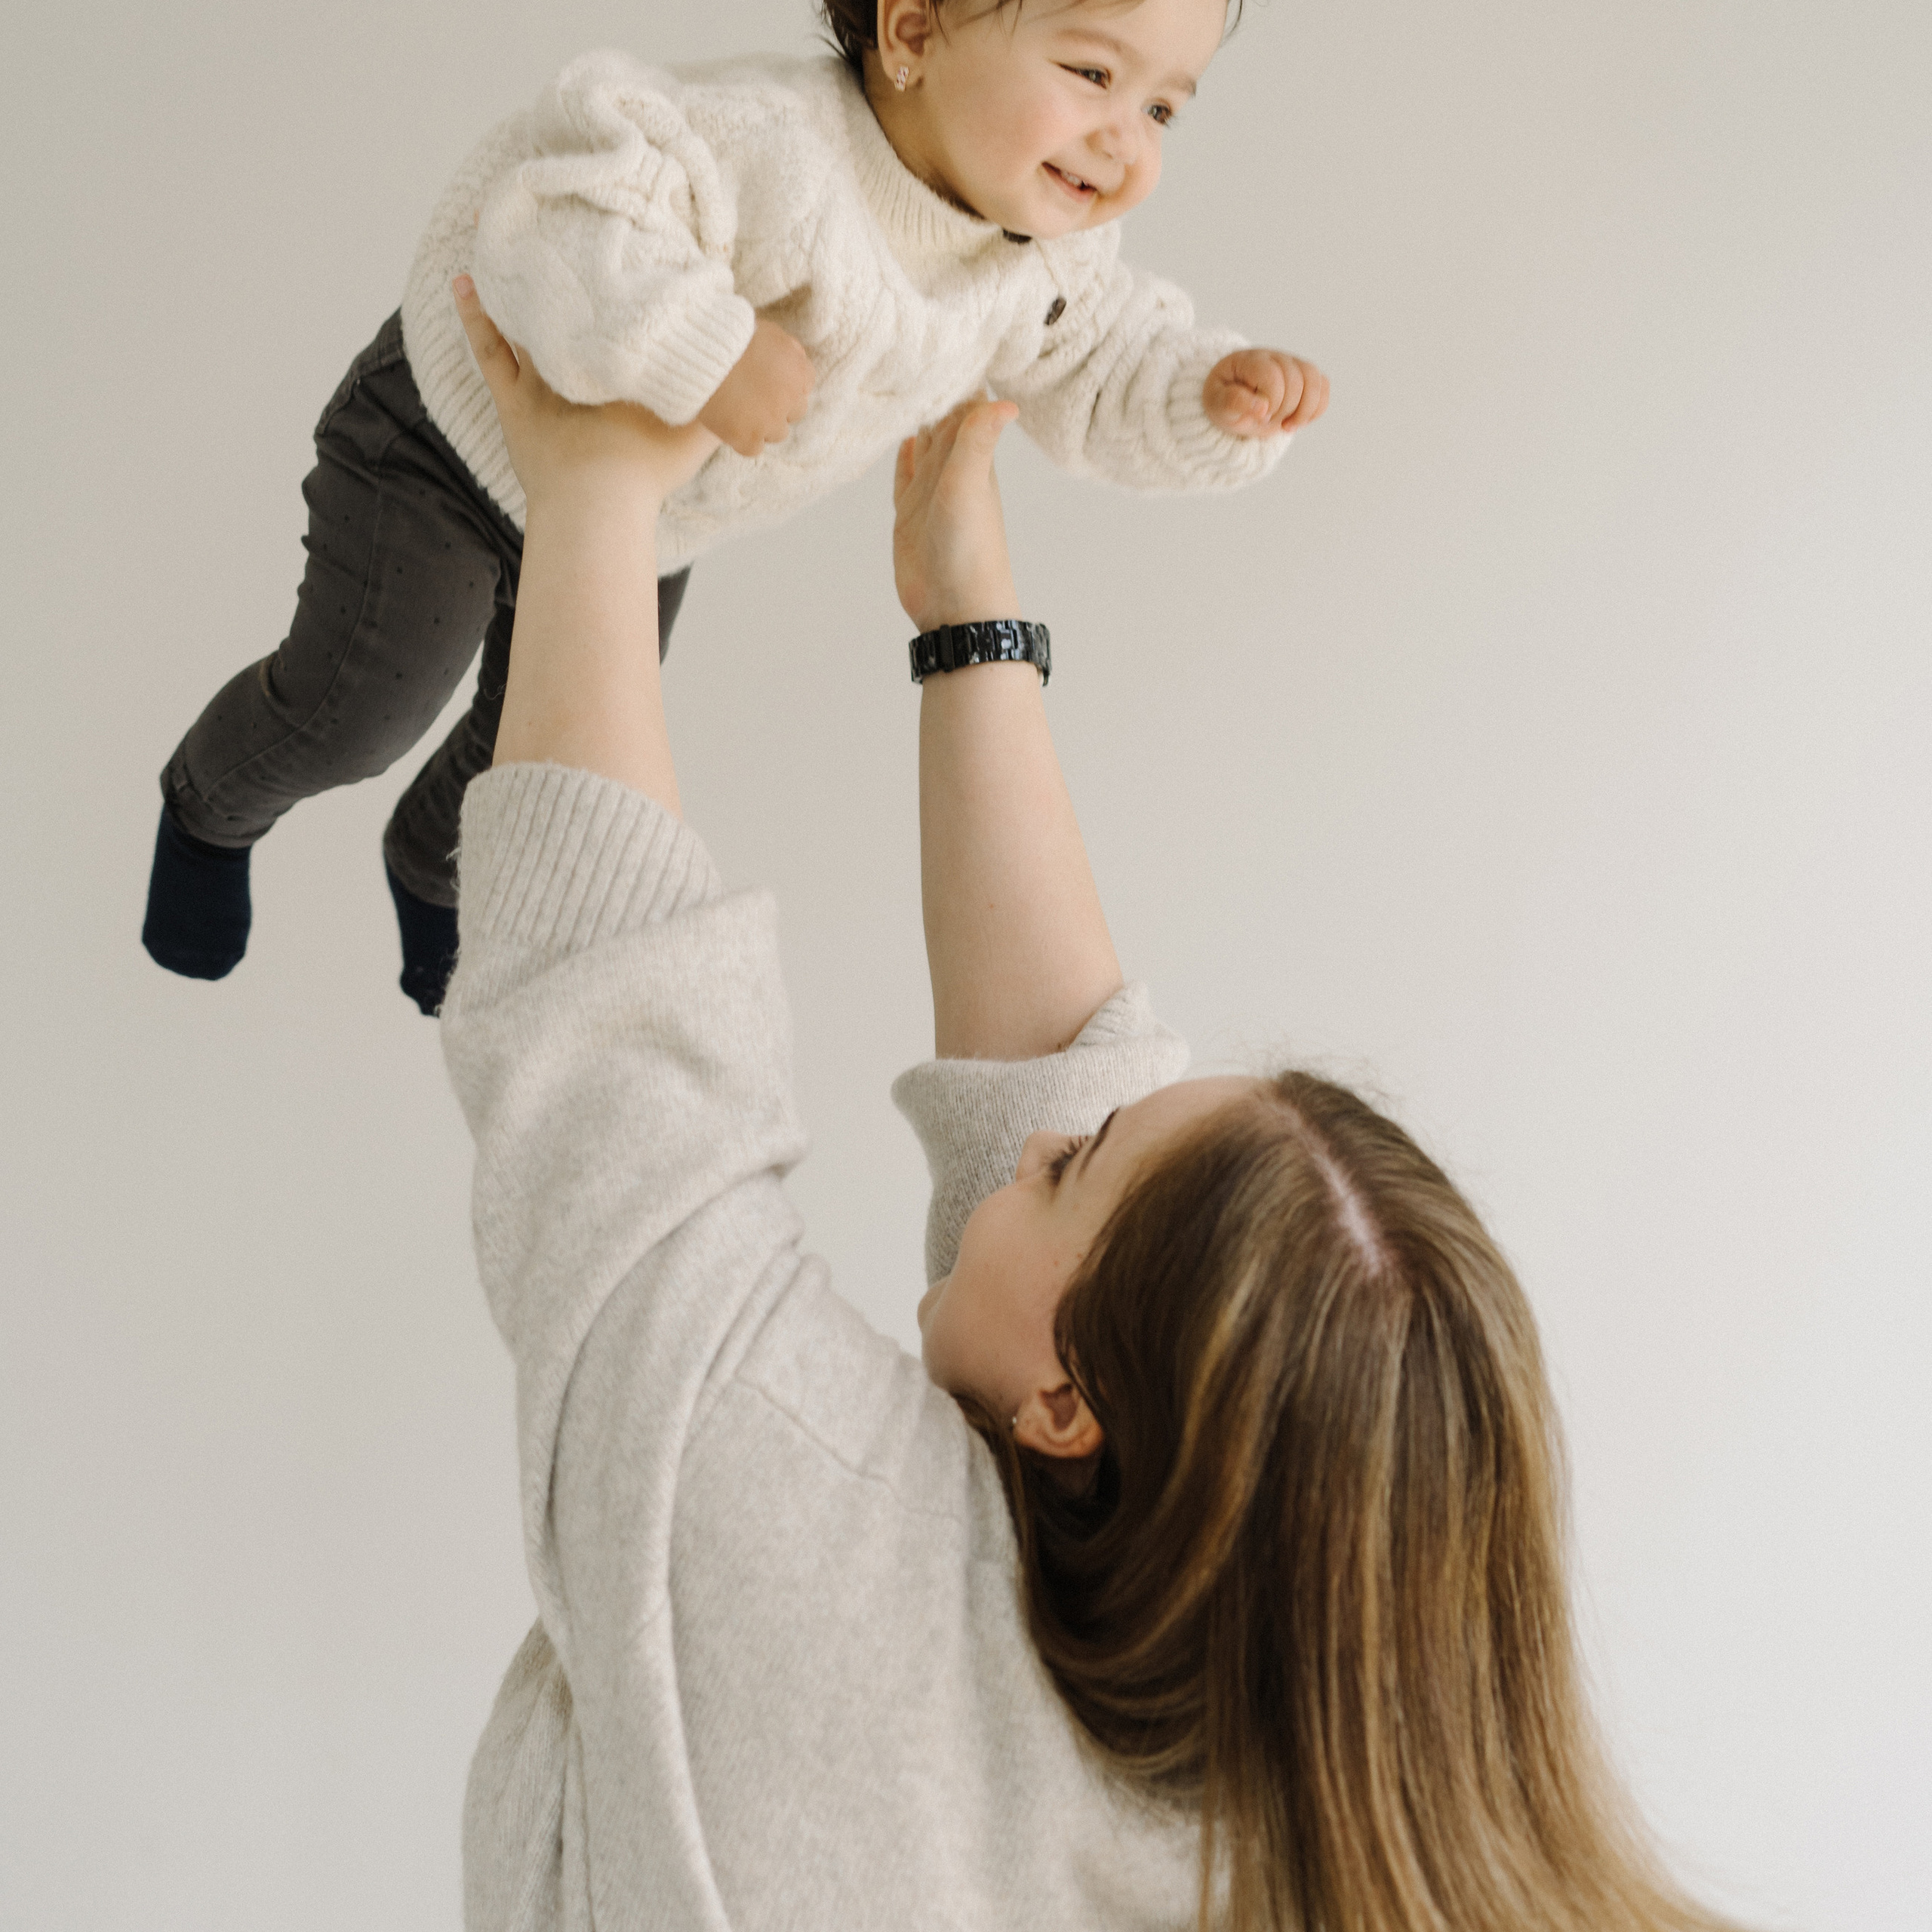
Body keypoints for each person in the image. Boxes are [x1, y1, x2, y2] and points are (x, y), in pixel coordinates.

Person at [436, 274, 1738, 1932]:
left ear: (1068, 1406)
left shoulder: (821, 1571)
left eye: (1065, 1164)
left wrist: (598, 494)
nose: (1037, 1133)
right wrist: (963, 605)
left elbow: (619, 1070)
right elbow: (1070, 1100)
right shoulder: (1285, 1755)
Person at [141, 0, 1331, 1015]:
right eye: (1092, 74)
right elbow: (553, 213)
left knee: (551, 750)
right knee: (360, 709)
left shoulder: (1042, 264)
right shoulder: (773, 144)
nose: (1124, 143)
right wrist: (706, 347)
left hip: (644, 520)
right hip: (450, 447)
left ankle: (433, 865)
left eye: (1165, 109)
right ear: (912, 29)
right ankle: (208, 807)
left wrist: (1207, 398)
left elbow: (1105, 362)